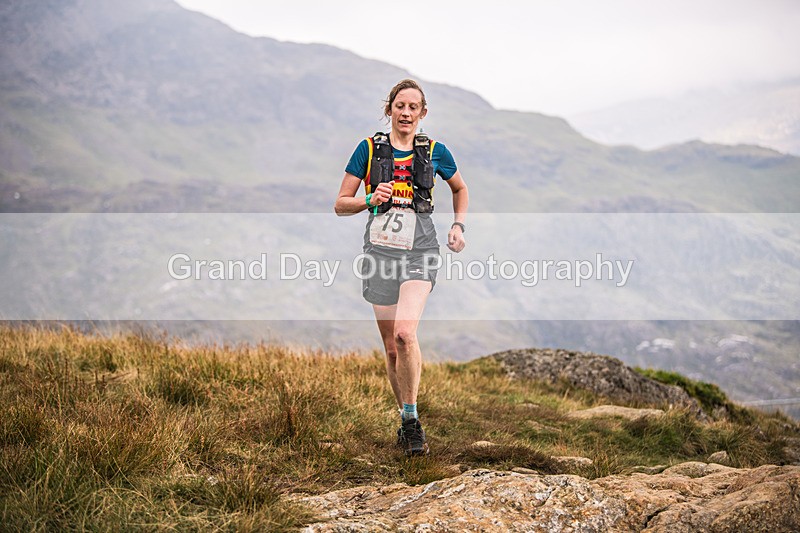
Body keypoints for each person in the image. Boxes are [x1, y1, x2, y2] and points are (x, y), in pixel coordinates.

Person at [334, 79, 469, 456]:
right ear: (389, 109)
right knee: (392, 350)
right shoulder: (368, 149)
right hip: (379, 252)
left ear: (423, 113)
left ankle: (412, 424)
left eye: (413, 107)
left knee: (405, 335)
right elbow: (339, 203)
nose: (406, 113)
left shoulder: (436, 152)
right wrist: (367, 199)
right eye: (400, 106)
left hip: (420, 249)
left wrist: (458, 225)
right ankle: (405, 418)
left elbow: (460, 188)